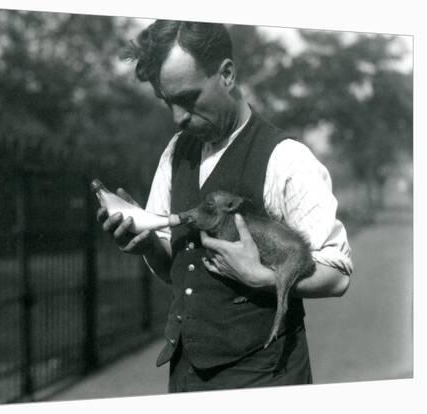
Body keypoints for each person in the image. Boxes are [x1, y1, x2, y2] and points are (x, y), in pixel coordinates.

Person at [97, 20, 353, 392]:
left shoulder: (286, 159)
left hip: (264, 376)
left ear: (227, 75)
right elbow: (179, 268)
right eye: (167, 102)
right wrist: (147, 243)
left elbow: (338, 273)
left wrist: (262, 278)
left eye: (187, 98)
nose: (178, 117)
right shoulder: (176, 153)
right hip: (186, 374)